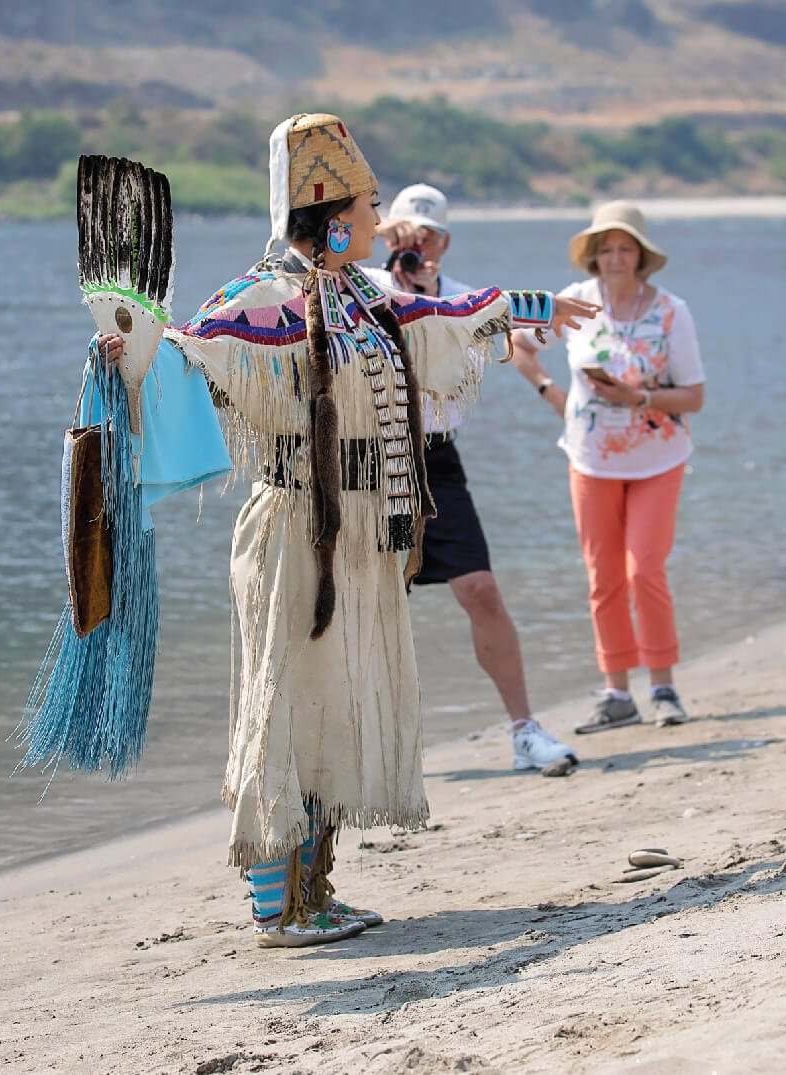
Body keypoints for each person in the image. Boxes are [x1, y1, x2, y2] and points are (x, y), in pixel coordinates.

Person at [93, 114, 595, 948]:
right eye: (364, 204)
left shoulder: (362, 293)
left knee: (337, 708)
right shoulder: (266, 296)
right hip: (298, 532)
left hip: (363, 536)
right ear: (329, 214)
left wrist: (532, 305)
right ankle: (273, 906)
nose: (375, 218)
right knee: (286, 702)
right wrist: (130, 346)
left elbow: (439, 315)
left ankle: (314, 893)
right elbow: (191, 350)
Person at [364, 183, 578, 774]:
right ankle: (373, 745)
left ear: (446, 242)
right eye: (409, 234)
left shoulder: (461, 297)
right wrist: (386, 246)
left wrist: (539, 320)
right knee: (374, 602)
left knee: (480, 587)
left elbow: (515, 327)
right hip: (371, 461)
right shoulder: (362, 286)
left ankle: (524, 730)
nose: (419, 246)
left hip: (435, 457)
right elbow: (310, 275)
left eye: (429, 237)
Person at [509, 201, 707, 731]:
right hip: (590, 458)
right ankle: (617, 693)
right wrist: (554, 394)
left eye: (625, 249)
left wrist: (637, 398)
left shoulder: (671, 312)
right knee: (603, 578)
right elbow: (519, 344)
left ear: (641, 256)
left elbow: (693, 396)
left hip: (658, 458)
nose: (615, 258)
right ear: (593, 256)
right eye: (606, 249)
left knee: (644, 569)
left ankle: (663, 687)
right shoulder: (573, 302)